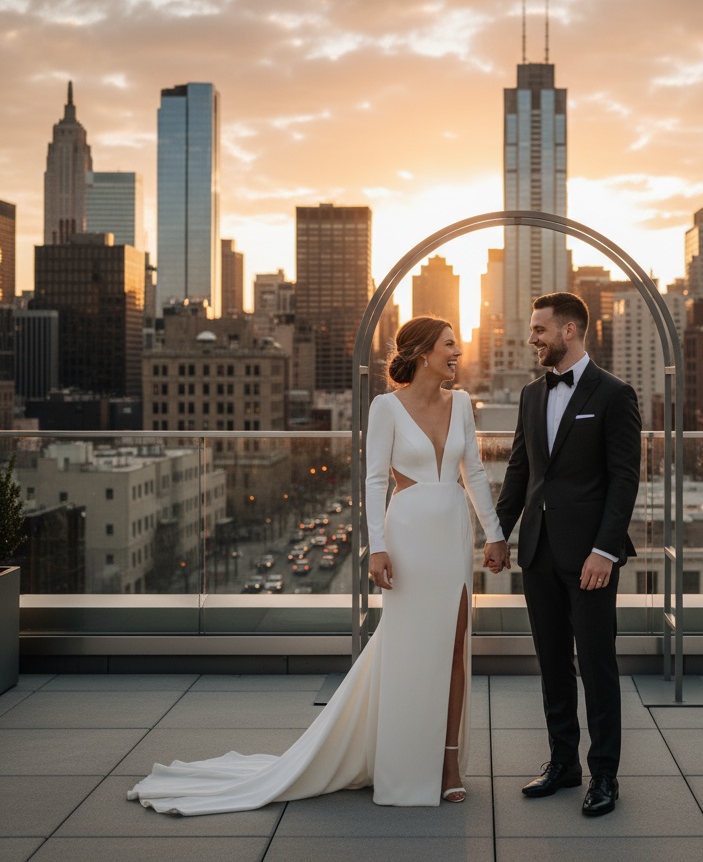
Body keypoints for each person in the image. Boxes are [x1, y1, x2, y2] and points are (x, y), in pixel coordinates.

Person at [128, 316, 509, 814]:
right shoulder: (385, 407)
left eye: (456, 345)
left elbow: (475, 472)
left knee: (455, 650)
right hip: (410, 534)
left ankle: (449, 765)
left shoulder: (461, 404)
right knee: (410, 652)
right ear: (421, 353)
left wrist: (496, 534)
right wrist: (376, 547)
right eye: (449, 345)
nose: (457, 353)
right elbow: (374, 481)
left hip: (452, 533)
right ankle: (404, 762)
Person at [490, 291, 641, 817]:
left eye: (539, 330)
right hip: (538, 550)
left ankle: (605, 776)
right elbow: (519, 471)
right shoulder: (532, 395)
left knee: (596, 665)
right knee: (552, 662)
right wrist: (498, 532)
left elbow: (624, 479)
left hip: (591, 559)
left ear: (570, 330)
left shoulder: (615, 394)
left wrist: (605, 549)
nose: (531, 338)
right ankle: (563, 763)